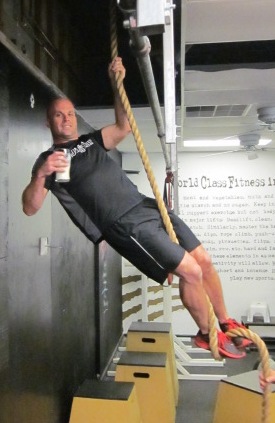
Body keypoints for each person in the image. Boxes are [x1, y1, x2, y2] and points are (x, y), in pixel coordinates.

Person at [22, 57, 251, 359]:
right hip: (124, 224)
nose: (66, 119)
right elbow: (30, 207)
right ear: (48, 122)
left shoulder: (91, 141)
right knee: (191, 272)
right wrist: (40, 175)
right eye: (58, 115)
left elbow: (123, 126)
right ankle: (207, 334)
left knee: (204, 261)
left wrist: (118, 85)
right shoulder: (50, 159)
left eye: (69, 113)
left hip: (144, 204)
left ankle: (225, 321)